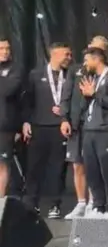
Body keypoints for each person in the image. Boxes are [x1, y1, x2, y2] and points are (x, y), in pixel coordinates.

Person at [61, 35, 108, 219]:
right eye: (92, 48)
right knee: (77, 164)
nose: (94, 52)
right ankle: (81, 203)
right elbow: (65, 95)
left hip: (95, 123)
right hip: (75, 122)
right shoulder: (75, 70)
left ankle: (93, 202)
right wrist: (64, 118)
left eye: (100, 49)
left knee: (93, 164)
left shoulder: (107, 72)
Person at [22, 43, 72, 218]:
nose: (69, 58)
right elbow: (28, 99)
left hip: (61, 127)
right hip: (38, 126)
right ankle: (31, 203)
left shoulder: (70, 75)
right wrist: (26, 121)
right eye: (66, 54)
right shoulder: (36, 74)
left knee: (57, 168)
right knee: (34, 166)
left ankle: (54, 205)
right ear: (55, 54)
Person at [80, 47, 108, 218]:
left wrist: (94, 93)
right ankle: (98, 205)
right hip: (90, 128)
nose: (85, 64)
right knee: (92, 170)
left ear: (97, 59)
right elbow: (91, 101)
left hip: (107, 129)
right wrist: (87, 95)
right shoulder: (94, 78)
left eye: (87, 60)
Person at [0, 38, 24, 198]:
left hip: (4, 125)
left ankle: (0, 201)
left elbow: (9, 89)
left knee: (2, 163)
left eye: (7, 48)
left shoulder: (15, 69)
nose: (5, 51)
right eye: (1, 48)